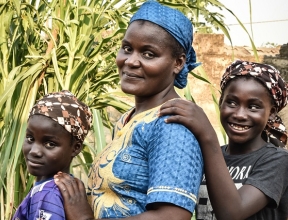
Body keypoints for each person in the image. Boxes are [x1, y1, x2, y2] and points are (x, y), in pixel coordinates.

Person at [53, 1, 204, 220]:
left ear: (178, 63)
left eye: (149, 54)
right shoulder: (127, 119)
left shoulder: (171, 123)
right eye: (127, 48)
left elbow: (172, 216)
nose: (131, 61)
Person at [159, 60, 288, 220]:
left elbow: (232, 214)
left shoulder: (277, 161)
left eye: (254, 107)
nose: (240, 114)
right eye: (232, 103)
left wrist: (207, 134)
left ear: (272, 113)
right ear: (221, 103)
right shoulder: (208, 156)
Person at [12, 90, 92, 220]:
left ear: (75, 148)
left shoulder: (48, 194)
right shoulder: (57, 190)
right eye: (30, 139)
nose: (34, 151)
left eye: (50, 144)